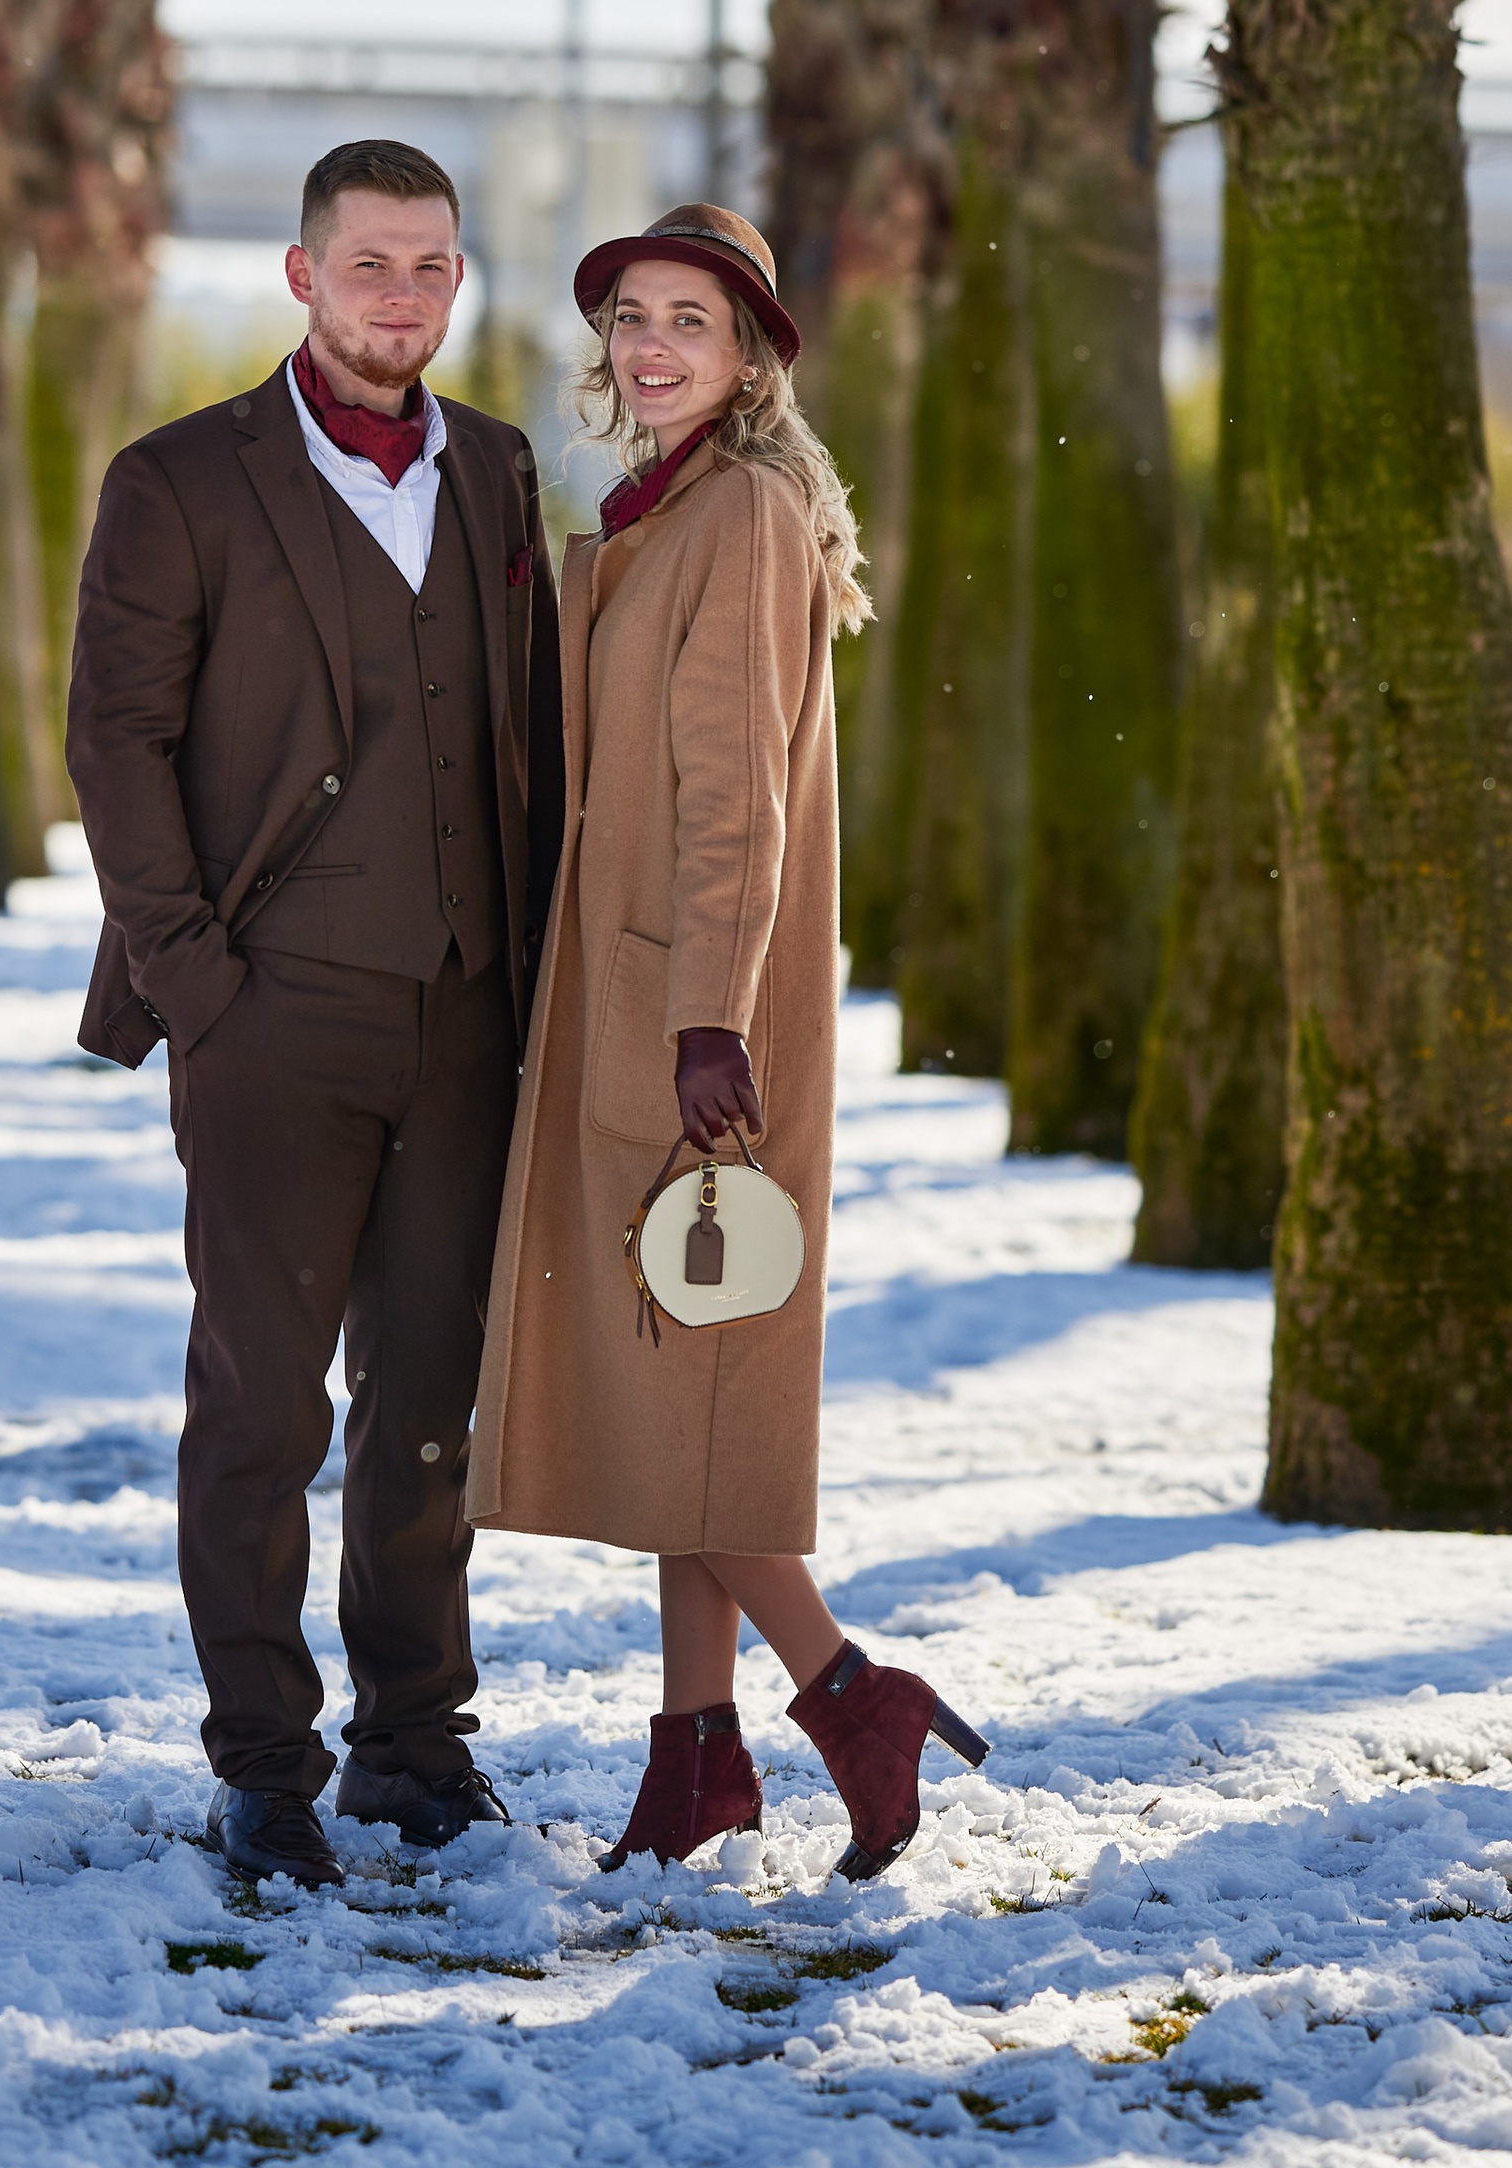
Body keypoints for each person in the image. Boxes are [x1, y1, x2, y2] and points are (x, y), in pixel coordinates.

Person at [467, 203, 987, 1878]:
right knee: (681, 1379)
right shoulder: (668, 505)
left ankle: (850, 1694)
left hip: (699, 1011)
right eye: (632, 315)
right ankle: (696, 1756)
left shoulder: (745, 513)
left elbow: (737, 795)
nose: (652, 345)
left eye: (690, 319)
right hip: (650, 992)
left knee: (683, 1389)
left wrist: (705, 1014)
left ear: (751, 352)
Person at [66, 139, 562, 1888]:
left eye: (431, 266)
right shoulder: (179, 479)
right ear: (301, 274)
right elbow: (115, 742)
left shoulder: (497, 471)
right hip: (269, 1013)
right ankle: (265, 1765)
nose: (401, 298)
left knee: (428, 1405)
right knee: (262, 1406)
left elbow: (526, 734)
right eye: (369, 264)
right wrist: (197, 980)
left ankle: (414, 1746)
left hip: (466, 1015)